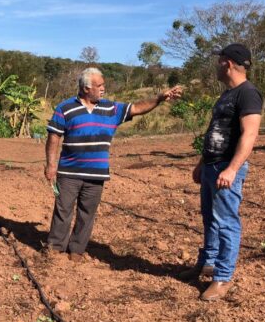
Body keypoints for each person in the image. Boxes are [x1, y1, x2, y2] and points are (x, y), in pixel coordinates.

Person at [44, 67, 182, 262]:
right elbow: (54, 137)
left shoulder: (111, 109)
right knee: (63, 209)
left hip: (96, 175)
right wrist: (51, 165)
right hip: (69, 172)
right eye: (99, 86)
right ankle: (55, 248)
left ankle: (76, 250)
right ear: (85, 88)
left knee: (87, 214)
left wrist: (159, 98)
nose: (103, 89)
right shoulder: (65, 108)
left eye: (103, 85)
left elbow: (137, 107)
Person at [179, 44, 263, 301]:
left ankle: (223, 277)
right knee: (209, 218)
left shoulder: (248, 94)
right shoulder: (228, 94)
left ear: (227, 63)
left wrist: (233, 168)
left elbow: (250, 133)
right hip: (211, 166)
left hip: (227, 168)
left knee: (226, 222)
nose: (216, 65)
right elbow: (215, 132)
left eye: (219, 61)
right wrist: (201, 163)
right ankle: (207, 263)